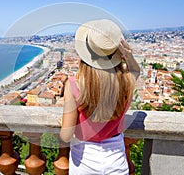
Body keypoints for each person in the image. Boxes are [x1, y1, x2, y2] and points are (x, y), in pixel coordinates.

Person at [60, 19, 140, 175]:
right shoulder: (126, 82)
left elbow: (66, 135)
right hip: (116, 159)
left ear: (86, 53)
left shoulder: (74, 86)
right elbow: (136, 72)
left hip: (83, 160)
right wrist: (129, 56)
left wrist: (65, 121)